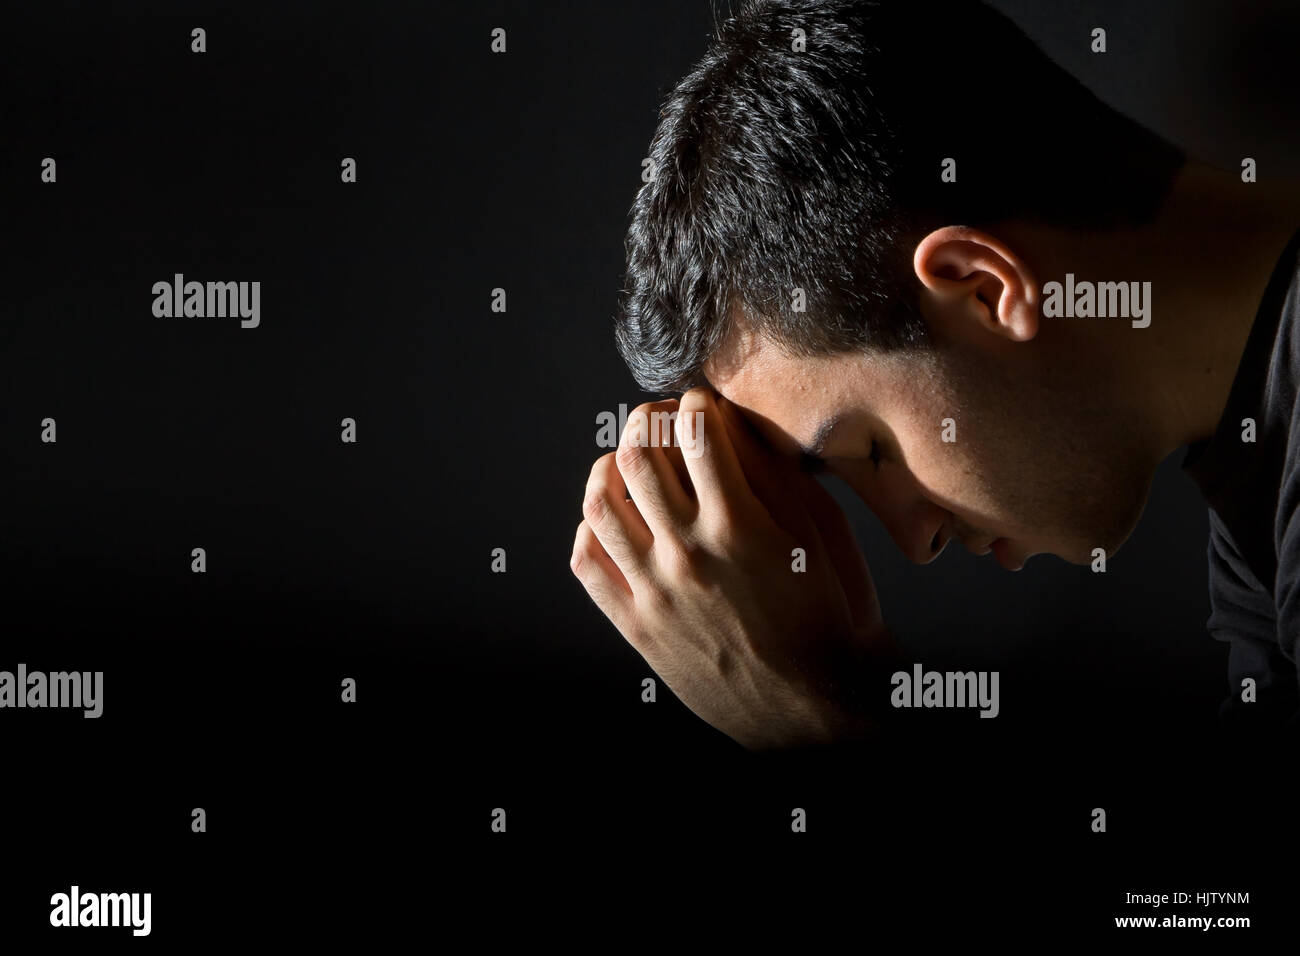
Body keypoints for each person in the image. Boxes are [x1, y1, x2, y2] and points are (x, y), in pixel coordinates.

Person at [569, 0, 1300, 748]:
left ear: (982, 289)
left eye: (872, 452)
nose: (916, 542)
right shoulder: (1257, 502)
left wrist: (820, 724)